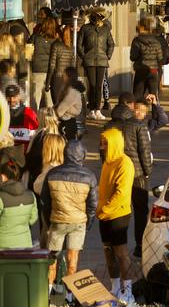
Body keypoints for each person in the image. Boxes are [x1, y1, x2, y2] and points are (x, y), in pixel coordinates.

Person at [41, 139, 97, 293]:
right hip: (78, 223)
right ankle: (69, 294)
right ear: (82, 155)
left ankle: (48, 291)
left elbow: (45, 201)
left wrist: (49, 220)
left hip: (57, 221)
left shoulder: (53, 173)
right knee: (73, 260)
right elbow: (93, 205)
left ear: (65, 154)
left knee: (52, 259)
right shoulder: (89, 176)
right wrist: (87, 225)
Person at [103, 92, 152, 258]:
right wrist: (147, 171)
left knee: (116, 209)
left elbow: (103, 153)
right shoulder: (138, 125)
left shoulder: (108, 126)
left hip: (115, 173)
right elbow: (144, 150)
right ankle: (139, 245)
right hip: (137, 173)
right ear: (130, 105)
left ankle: (115, 245)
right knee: (140, 211)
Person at [97, 128, 136, 303]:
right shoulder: (107, 162)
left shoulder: (124, 163)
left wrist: (103, 210)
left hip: (118, 215)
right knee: (108, 251)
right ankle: (114, 287)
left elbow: (121, 193)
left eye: (105, 143)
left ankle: (127, 290)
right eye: (102, 143)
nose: (102, 146)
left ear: (114, 143)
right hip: (104, 215)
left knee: (121, 252)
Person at [78, 7, 114, 121]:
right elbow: (79, 45)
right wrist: (84, 56)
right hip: (89, 60)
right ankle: (92, 110)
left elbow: (111, 44)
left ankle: (97, 109)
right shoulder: (85, 28)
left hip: (102, 60)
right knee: (92, 85)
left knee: (98, 86)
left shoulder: (106, 29)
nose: (95, 18)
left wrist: (107, 55)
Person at [33, 133, 65, 249]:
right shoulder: (63, 167)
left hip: (51, 216)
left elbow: (37, 187)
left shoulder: (50, 170)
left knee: (49, 249)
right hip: (64, 216)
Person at [0, 154, 37, 249]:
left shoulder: (1, 197)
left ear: (3, 177)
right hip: (25, 245)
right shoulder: (31, 195)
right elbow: (33, 219)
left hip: (3, 246)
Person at [26, 107, 59, 191]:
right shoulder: (60, 137)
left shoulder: (41, 137)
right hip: (55, 178)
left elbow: (34, 158)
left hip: (39, 178)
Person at [130, 17, 164, 99]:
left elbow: (133, 57)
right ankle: (156, 111)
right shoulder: (156, 41)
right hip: (153, 70)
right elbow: (160, 58)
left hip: (140, 70)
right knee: (154, 97)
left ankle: (138, 111)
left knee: (137, 96)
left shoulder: (137, 40)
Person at [30, 16, 58, 110]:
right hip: (51, 71)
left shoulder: (35, 37)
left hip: (37, 69)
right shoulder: (56, 40)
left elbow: (28, 51)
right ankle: (51, 122)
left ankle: (34, 120)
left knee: (35, 98)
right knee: (49, 100)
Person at [46, 26, 76, 105]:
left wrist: (48, 82)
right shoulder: (71, 47)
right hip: (67, 79)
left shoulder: (55, 45)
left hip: (57, 78)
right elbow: (73, 66)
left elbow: (52, 65)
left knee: (57, 104)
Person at [55, 67, 85, 141]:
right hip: (66, 118)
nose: (62, 77)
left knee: (68, 143)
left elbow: (63, 106)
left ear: (69, 77)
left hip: (69, 121)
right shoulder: (65, 87)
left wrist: (54, 114)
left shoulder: (72, 91)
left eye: (64, 75)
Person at [6, 85, 38, 149]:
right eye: (9, 97)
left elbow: (35, 136)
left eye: (14, 97)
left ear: (19, 97)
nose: (12, 100)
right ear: (5, 97)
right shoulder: (2, 113)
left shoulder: (29, 113)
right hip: (5, 152)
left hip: (24, 153)